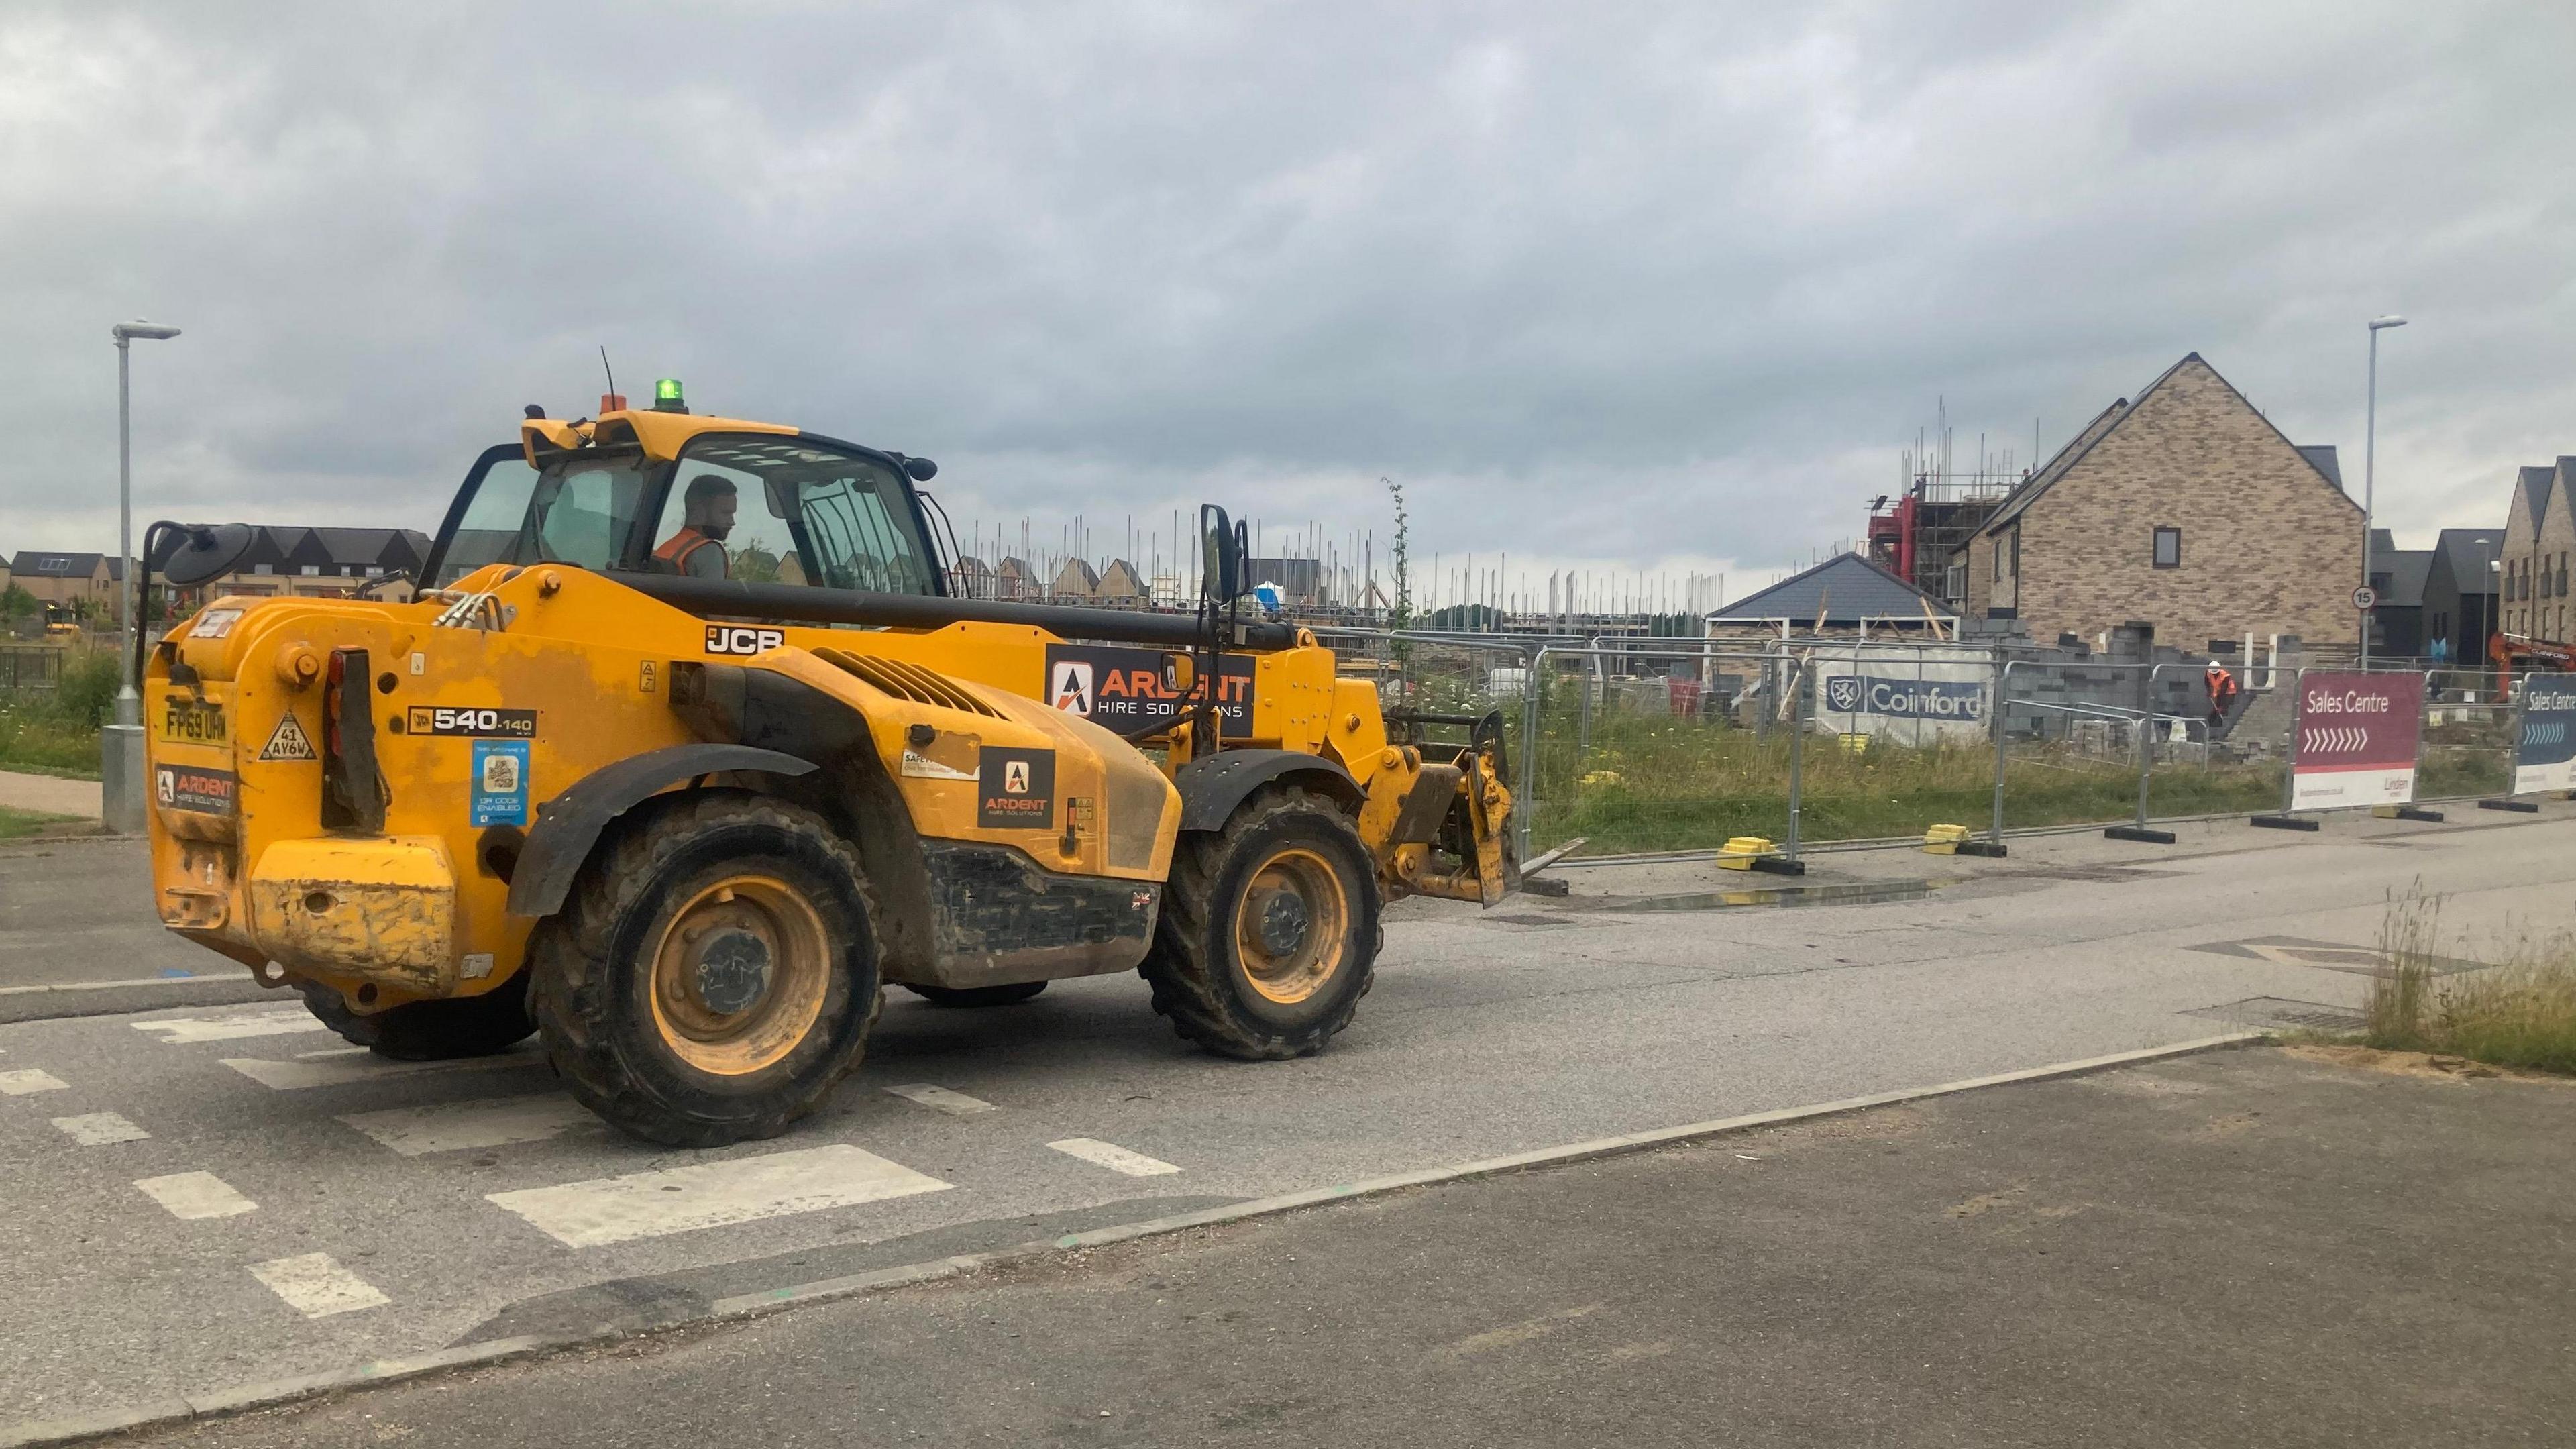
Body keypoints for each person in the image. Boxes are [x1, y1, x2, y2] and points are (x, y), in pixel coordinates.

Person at [653, 474, 738, 578]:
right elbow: (713, 594)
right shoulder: (709, 552)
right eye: (726, 513)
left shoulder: (668, 548)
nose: (732, 522)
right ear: (699, 512)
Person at [2205, 660, 2239, 731]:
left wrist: (2221, 706)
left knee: (2223, 709)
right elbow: (2207, 681)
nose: (2214, 675)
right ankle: (2210, 725)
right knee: (2216, 709)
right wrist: (2209, 691)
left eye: (2216, 673)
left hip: (2229, 692)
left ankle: (2224, 728)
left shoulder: (2225, 676)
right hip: (2219, 691)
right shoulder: (2208, 672)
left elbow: (2223, 691)